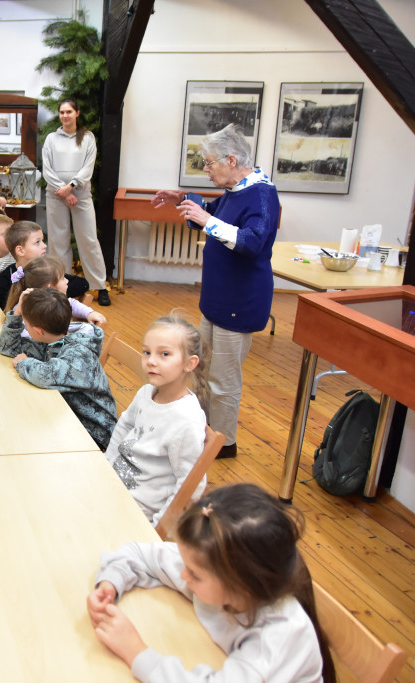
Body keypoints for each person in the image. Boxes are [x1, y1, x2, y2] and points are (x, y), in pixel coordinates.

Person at [87, 483, 335, 683]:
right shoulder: (216, 568)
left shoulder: (278, 639)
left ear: (240, 586)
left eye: (194, 574)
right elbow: (139, 555)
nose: (184, 576)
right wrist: (111, 582)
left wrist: (135, 651)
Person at [150, 123, 280, 459]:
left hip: (240, 300)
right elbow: (216, 213)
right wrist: (181, 200)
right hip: (218, 299)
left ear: (231, 160)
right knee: (205, 370)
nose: (206, 170)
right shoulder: (238, 191)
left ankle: (224, 442)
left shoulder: (263, 194)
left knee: (224, 379)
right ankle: (204, 431)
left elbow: (251, 241)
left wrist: (206, 219)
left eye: (209, 164)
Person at [103, 313, 209, 526]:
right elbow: (124, 425)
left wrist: (158, 527)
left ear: (189, 363)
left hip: (138, 509)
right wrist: (106, 466)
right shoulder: (146, 392)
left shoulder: (186, 420)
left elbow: (191, 484)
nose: (151, 361)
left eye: (164, 354)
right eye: (147, 352)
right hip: (112, 487)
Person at [0, 287, 116, 449]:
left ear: (38, 331)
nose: (25, 327)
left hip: (93, 432)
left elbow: (47, 375)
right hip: (64, 415)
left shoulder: (79, 353)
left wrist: (23, 363)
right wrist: (18, 313)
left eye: (26, 324)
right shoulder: (50, 338)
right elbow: (7, 348)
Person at [41, 98, 110, 306]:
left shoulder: (87, 138)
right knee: (58, 241)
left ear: (77, 113)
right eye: (62, 112)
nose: (65, 116)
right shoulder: (52, 139)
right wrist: (62, 191)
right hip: (55, 194)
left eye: (69, 112)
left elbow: (87, 168)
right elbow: (47, 169)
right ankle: (64, 284)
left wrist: (71, 187)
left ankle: (99, 285)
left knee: (88, 239)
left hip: (79, 195)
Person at [0, 221, 88, 310]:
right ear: (20, 250)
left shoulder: (47, 270)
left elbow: (82, 283)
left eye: (42, 240)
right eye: (37, 242)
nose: (45, 245)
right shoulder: (6, 277)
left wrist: (53, 291)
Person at [4, 256, 106, 329]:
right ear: (50, 287)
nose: (67, 281)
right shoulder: (23, 309)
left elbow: (72, 304)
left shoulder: (57, 302)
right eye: (62, 278)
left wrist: (89, 313)